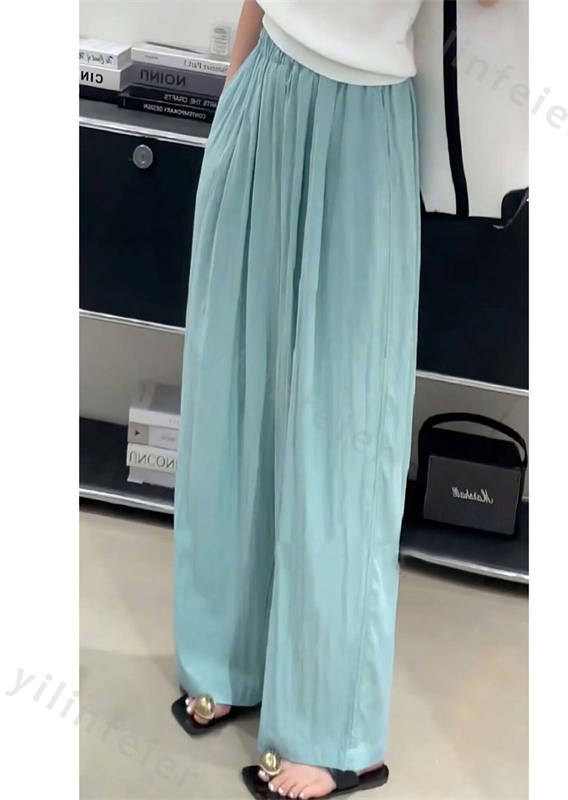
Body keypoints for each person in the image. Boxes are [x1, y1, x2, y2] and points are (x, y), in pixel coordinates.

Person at [172, 1, 425, 797]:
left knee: (345, 423)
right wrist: (234, 91)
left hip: (365, 115)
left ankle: (335, 733)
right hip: (266, 82)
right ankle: (229, 661)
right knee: (234, 388)